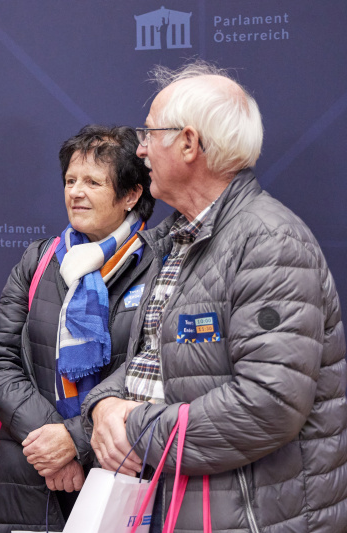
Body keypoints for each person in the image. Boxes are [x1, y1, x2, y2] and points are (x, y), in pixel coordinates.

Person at [83, 60, 347, 531]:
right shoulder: (177, 238)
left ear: (189, 143)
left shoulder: (270, 241)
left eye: (150, 133)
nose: (139, 149)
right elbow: (152, 356)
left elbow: (269, 404)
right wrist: (103, 405)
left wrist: (136, 427)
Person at [0, 125, 155, 532]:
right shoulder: (39, 259)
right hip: (31, 471)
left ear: (130, 195)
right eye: (70, 180)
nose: (75, 192)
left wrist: (76, 440)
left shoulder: (158, 266)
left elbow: (154, 370)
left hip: (118, 472)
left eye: (93, 182)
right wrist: (51, 439)